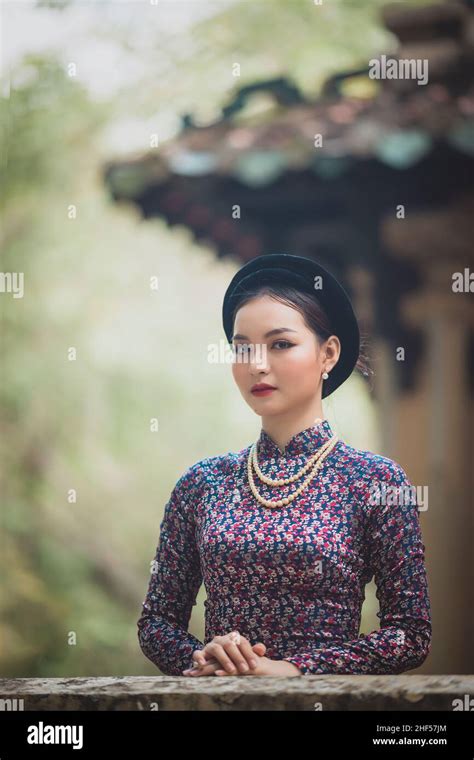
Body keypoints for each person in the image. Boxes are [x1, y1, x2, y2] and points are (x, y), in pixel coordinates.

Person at [137, 253, 432, 676]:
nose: (257, 364)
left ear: (328, 353)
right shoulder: (203, 483)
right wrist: (204, 658)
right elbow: (156, 623)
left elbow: (409, 634)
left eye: (280, 344)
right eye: (243, 348)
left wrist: (294, 669)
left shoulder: (376, 481)